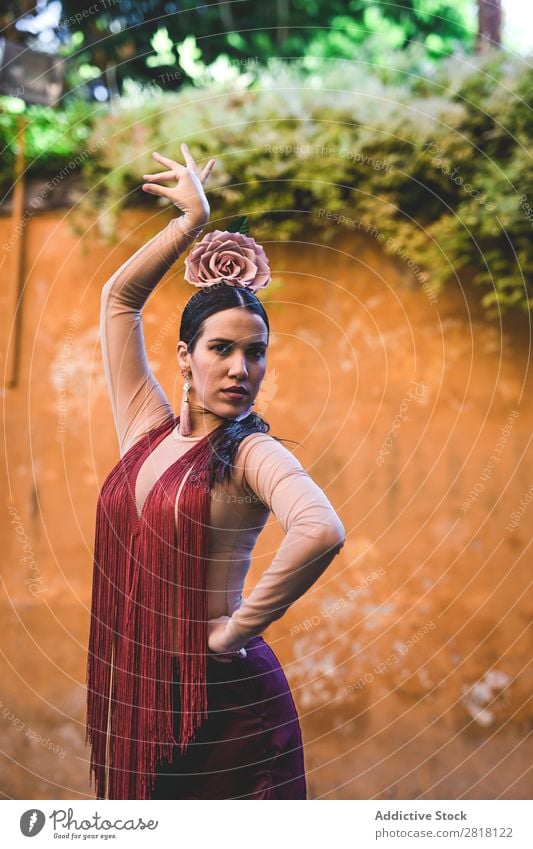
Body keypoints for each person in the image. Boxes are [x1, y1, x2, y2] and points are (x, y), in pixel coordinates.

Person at [85, 143, 346, 800]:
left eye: (255, 353)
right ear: (184, 356)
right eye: (222, 349)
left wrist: (234, 631)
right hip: (147, 693)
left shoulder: (251, 451)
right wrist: (186, 223)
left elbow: (320, 528)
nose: (240, 368)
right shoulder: (145, 429)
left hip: (232, 708)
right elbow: (119, 300)